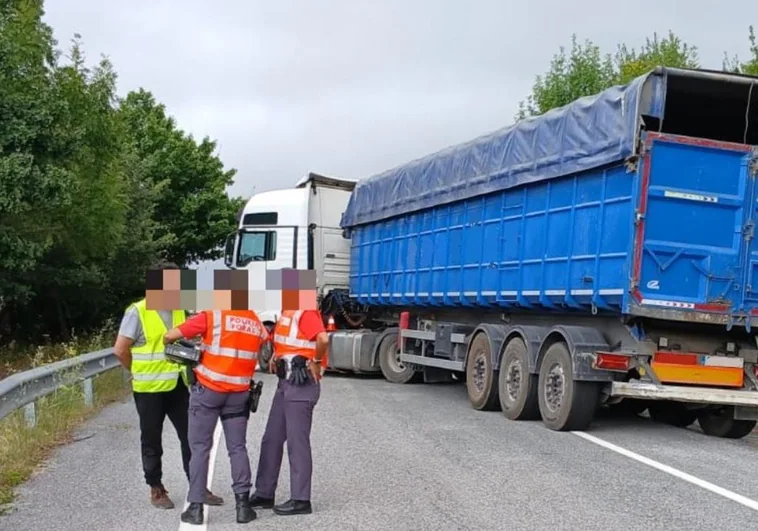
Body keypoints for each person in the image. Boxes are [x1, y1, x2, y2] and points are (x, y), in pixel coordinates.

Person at [113, 261, 224, 510]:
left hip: (177, 386)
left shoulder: (177, 310)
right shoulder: (138, 311)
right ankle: (156, 488)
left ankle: (198, 487)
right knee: (152, 440)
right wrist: (135, 370)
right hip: (148, 389)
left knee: (191, 437)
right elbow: (120, 349)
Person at [163, 307, 269, 525]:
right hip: (239, 393)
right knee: (237, 448)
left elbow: (169, 336)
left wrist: (197, 345)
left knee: (200, 448)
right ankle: (243, 507)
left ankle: (195, 507)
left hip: (208, 392)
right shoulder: (254, 321)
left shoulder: (212, 316)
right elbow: (264, 343)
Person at [249, 309, 329, 516]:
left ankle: (301, 499)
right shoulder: (287, 313)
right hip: (286, 383)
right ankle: (265, 493)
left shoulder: (305, 311)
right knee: (272, 439)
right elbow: (287, 342)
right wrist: (278, 354)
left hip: (301, 384)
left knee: (297, 442)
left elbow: (323, 339)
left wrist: (316, 361)